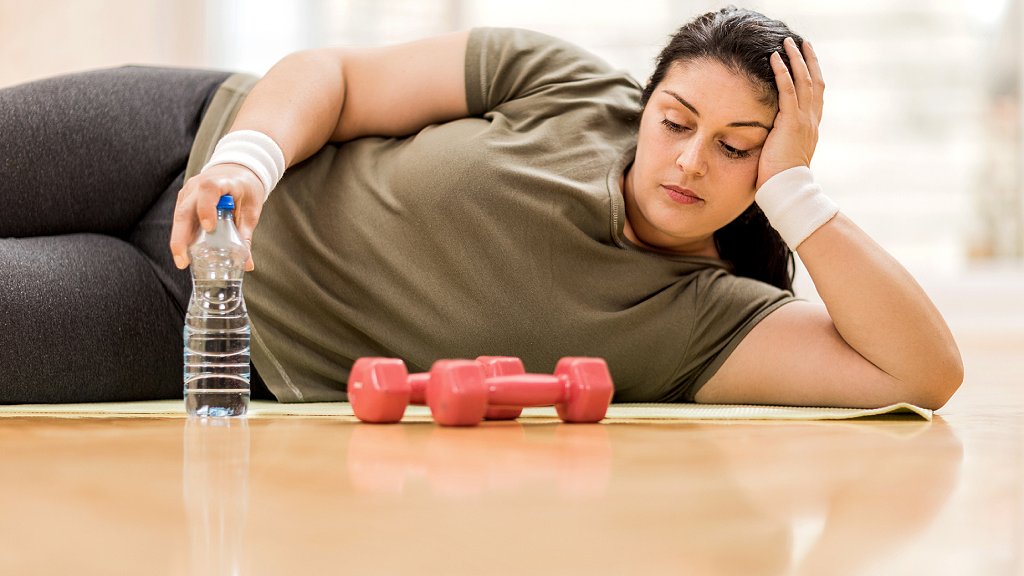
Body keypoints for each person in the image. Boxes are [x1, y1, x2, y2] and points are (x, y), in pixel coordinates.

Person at [0, 7, 962, 409]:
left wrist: (796, 191)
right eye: (675, 120)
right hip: (190, 134)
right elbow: (333, 74)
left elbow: (923, 372)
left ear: (771, 170)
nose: (689, 160)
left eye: (739, 149)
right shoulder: (568, 89)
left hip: (205, 326)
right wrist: (251, 157)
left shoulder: (705, 321)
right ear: (644, 101)